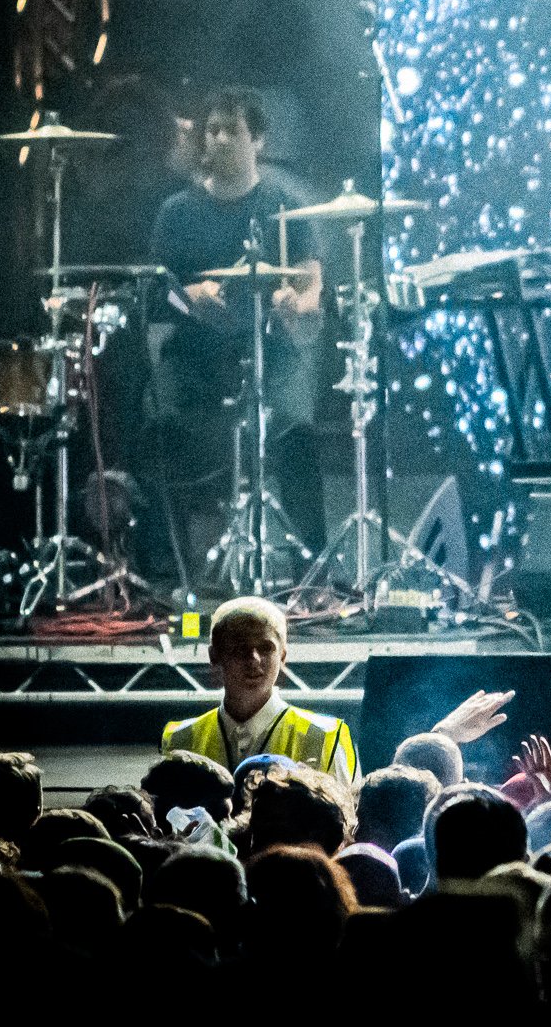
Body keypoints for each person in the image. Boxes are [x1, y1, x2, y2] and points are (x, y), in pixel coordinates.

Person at [148, 87, 328, 557]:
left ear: (259, 140)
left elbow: (312, 283)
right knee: (162, 425)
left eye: (234, 130)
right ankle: (171, 575)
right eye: (213, 130)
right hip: (196, 355)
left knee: (296, 431)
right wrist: (190, 295)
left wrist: (300, 303)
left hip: (269, 349)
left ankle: (312, 579)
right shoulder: (177, 212)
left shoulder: (285, 206)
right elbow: (156, 293)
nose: (221, 139)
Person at [160, 596, 357, 782]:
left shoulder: (323, 737)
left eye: (266, 648)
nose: (253, 659)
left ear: (282, 656)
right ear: (214, 655)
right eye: (240, 648)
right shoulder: (179, 739)